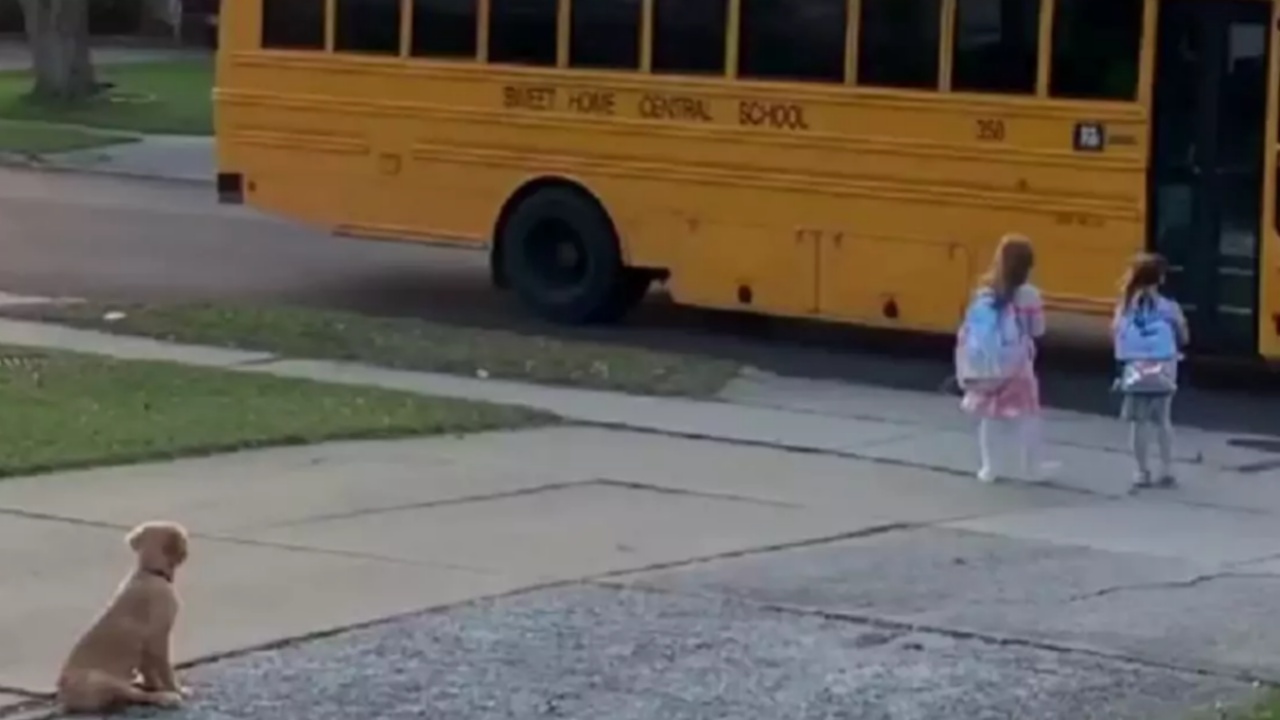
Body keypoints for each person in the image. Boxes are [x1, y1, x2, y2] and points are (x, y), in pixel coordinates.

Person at [959, 234, 1057, 483]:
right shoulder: (1030, 296)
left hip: (988, 364)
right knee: (1027, 416)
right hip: (1018, 367)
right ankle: (1031, 469)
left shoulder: (984, 293)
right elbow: (1037, 330)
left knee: (989, 419)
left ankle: (989, 469)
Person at [1112, 253, 1187, 491]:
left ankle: (1141, 471)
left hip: (1135, 366)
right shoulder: (1169, 307)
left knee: (1139, 422)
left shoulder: (1125, 306)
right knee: (1163, 419)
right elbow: (1184, 336)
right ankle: (1167, 469)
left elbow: (1117, 336)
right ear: (1160, 278)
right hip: (1164, 365)